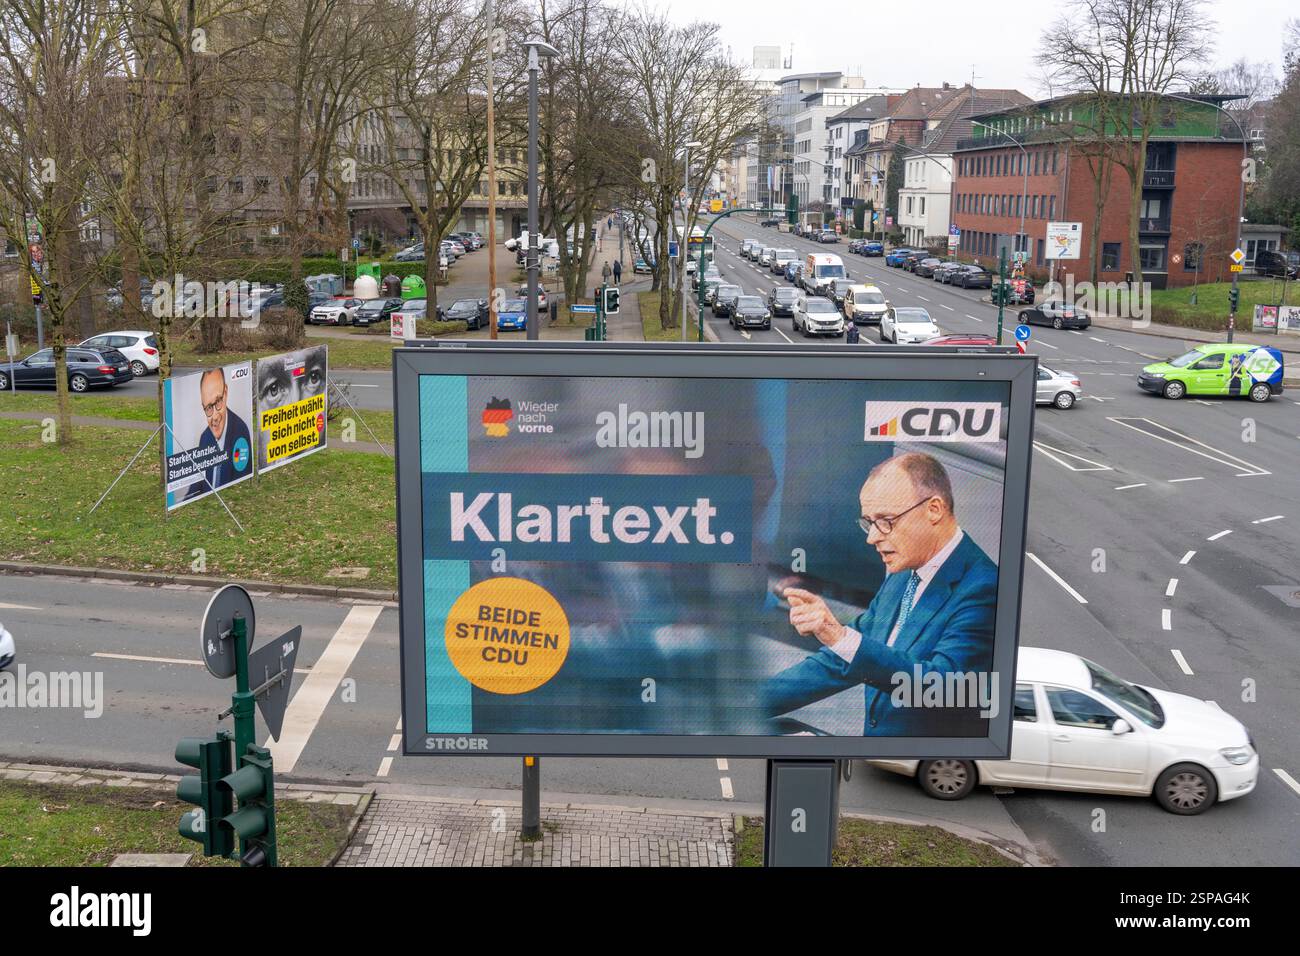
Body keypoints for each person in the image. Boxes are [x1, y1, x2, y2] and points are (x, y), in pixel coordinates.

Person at [761, 451, 998, 735]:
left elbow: (943, 687)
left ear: (934, 509)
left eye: (886, 520)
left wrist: (838, 635)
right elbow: (843, 659)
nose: (872, 537)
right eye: (869, 523)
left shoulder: (984, 587)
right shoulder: (902, 575)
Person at [185, 367, 252, 500]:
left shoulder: (240, 431)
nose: (214, 416)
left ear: (225, 393)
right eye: (208, 408)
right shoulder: (205, 437)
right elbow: (197, 482)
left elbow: (240, 483)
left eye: (218, 402)